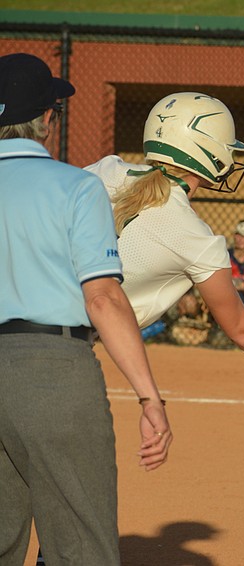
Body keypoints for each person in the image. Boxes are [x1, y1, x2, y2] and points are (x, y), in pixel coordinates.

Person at [0, 52, 172, 565]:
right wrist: (149, 398)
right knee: (80, 544)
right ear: (49, 119)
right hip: (51, 370)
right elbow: (102, 297)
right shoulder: (77, 187)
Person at [85, 92, 244, 401]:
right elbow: (240, 327)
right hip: (59, 348)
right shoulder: (196, 238)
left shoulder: (105, 169)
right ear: (207, 151)